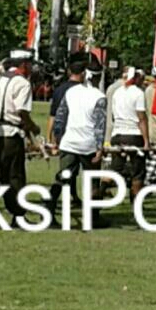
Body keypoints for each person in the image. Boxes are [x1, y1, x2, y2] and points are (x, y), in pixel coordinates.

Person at [50, 51, 108, 227]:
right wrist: (100, 148)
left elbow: (60, 118)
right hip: (89, 145)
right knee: (92, 182)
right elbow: (99, 125)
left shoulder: (71, 92)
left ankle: (49, 209)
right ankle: (92, 218)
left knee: (62, 178)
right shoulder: (100, 97)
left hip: (69, 142)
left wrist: (57, 139)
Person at [0, 51, 40, 222]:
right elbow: (22, 112)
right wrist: (33, 127)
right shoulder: (22, 83)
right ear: (24, 65)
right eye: (29, 65)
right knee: (14, 176)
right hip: (10, 135)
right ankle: (18, 215)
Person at [107, 67, 149, 197]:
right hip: (134, 134)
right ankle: (136, 200)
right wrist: (146, 141)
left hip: (117, 133)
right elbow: (141, 118)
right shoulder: (138, 93)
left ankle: (100, 190)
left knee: (115, 167)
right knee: (138, 171)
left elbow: (113, 115)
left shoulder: (117, 92)